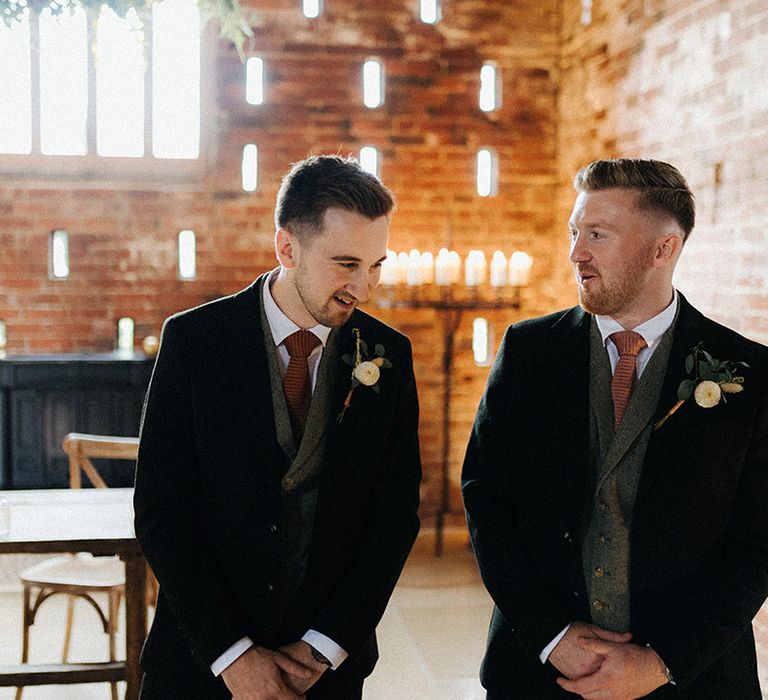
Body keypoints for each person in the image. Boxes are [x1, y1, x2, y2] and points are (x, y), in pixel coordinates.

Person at [462, 158, 768, 698]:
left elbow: (758, 541)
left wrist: (663, 661)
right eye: (574, 232)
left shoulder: (748, 372)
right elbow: (486, 496)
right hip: (537, 671)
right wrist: (550, 634)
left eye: (597, 235)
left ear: (663, 250)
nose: (575, 252)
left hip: (693, 678)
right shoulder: (529, 351)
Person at [134, 155, 421, 699]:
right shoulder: (195, 342)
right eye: (345, 264)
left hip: (326, 669)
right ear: (287, 248)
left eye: (376, 264)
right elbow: (161, 512)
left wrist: (325, 644)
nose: (363, 287)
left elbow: (394, 516)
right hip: (201, 662)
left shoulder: (389, 355)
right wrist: (234, 657)